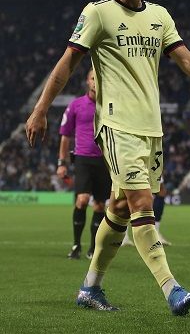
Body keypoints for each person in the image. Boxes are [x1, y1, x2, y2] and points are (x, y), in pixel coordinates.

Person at [25, 0, 190, 316]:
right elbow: (67, 63)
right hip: (115, 124)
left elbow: (184, 58)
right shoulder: (98, 13)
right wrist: (40, 109)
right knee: (142, 203)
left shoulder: (160, 16)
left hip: (151, 128)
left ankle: (90, 288)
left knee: (119, 208)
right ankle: (172, 289)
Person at [58, 68, 111, 260]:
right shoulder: (76, 105)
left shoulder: (110, 106)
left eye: (99, 79)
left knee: (99, 206)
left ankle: (93, 248)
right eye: (92, 79)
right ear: (87, 82)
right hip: (83, 159)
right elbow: (65, 136)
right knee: (81, 200)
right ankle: (76, 245)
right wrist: (61, 162)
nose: (96, 82)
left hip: (105, 161)